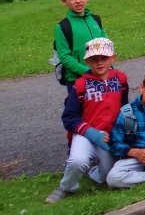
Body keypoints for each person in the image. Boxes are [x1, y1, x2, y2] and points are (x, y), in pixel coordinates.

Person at [46, 38, 128, 204]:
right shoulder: (80, 84)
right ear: (86, 60)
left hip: (109, 136)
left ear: (113, 57)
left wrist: (120, 133)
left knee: (107, 178)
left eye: (104, 58)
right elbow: (69, 118)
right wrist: (91, 132)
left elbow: (124, 108)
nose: (99, 63)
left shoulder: (121, 79)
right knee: (77, 161)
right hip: (86, 133)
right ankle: (66, 187)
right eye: (94, 59)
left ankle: (94, 171)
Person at [54, 0, 108, 88]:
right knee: (79, 105)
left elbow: (106, 45)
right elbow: (65, 57)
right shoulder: (63, 26)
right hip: (78, 79)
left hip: (102, 75)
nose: (78, 1)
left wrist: (108, 67)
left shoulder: (96, 20)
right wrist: (88, 71)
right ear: (64, 1)